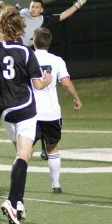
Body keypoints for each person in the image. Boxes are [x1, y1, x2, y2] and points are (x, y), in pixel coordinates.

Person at [0, 6, 52, 224]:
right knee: (23, 155)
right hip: (26, 108)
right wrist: (47, 79)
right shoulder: (26, 52)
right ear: (21, 29)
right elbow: (37, 84)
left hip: (6, 112)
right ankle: (12, 200)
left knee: (22, 155)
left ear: (0, 28)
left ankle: (19, 203)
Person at [0, 0, 88, 160]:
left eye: (36, 7)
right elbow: (10, 10)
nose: (33, 9)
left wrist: (77, 5)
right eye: (32, 6)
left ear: (41, 10)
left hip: (34, 58)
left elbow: (63, 15)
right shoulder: (23, 14)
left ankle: (39, 145)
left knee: (39, 94)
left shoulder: (45, 19)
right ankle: (29, 142)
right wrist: (0, 3)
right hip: (22, 58)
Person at [32, 27, 82, 193]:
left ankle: (18, 186)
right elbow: (66, 83)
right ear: (49, 43)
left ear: (34, 41)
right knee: (52, 148)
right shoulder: (57, 60)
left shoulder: (27, 58)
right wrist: (76, 98)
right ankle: (56, 184)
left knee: (25, 150)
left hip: (31, 113)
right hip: (52, 112)